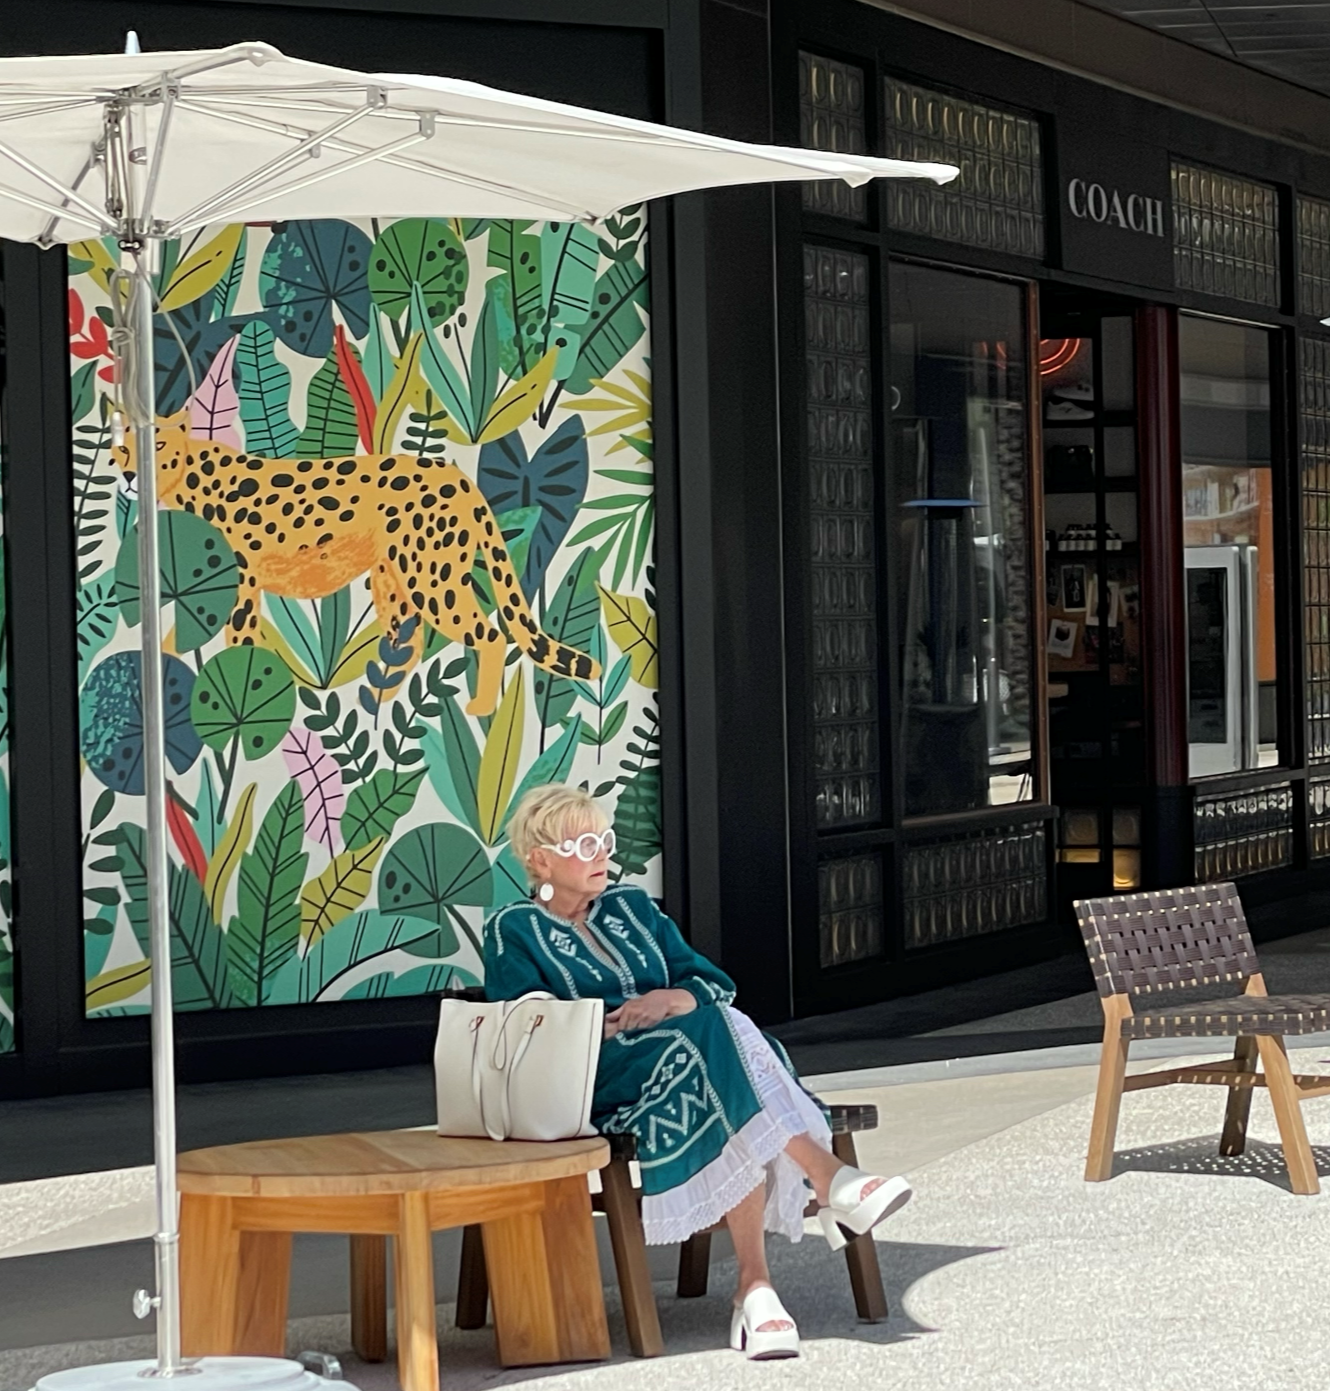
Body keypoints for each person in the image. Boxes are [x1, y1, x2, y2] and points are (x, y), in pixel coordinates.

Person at [484, 783, 912, 1360]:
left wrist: (666, 1001)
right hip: (599, 1080)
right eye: (583, 844)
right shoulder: (514, 930)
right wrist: (602, 1023)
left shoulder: (634, 908)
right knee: (725, 1035)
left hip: (688, 1068)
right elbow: (522, 1025)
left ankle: (757, 1290)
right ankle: (828, 1181)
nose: (601, 855)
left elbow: (711, 983)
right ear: (539, 859)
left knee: (720, 1049)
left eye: (605, 841)